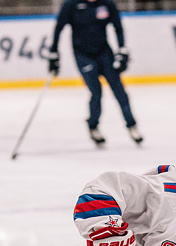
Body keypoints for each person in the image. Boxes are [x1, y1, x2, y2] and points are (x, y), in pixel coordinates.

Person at [47, 0, 142, 147]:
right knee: (96, 92)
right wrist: (54, 53)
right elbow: (59, 27)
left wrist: (122, 49)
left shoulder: (107, 3)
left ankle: (132, 125)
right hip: (83, 54)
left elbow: (118, 27)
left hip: (104, 53)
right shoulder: (71, 4)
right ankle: (93, 126)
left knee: (119, 90)